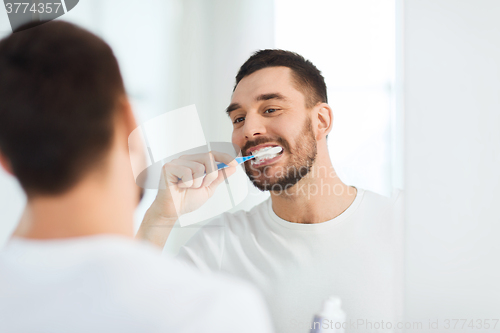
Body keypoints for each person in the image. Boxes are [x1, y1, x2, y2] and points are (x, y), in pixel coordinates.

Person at [0, 21, 273, 333]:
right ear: (129, 117)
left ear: (4, 160)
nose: (251, 129)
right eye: (238, 118)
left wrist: (161, 216)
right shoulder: (213, 312)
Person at [138, 49, 403, 333]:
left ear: (321, 121)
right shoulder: (220, 246)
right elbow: (128, 316)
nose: (249, 130)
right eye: (238, 118)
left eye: (271, 110)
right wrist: (160, 217)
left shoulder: (403, 228)